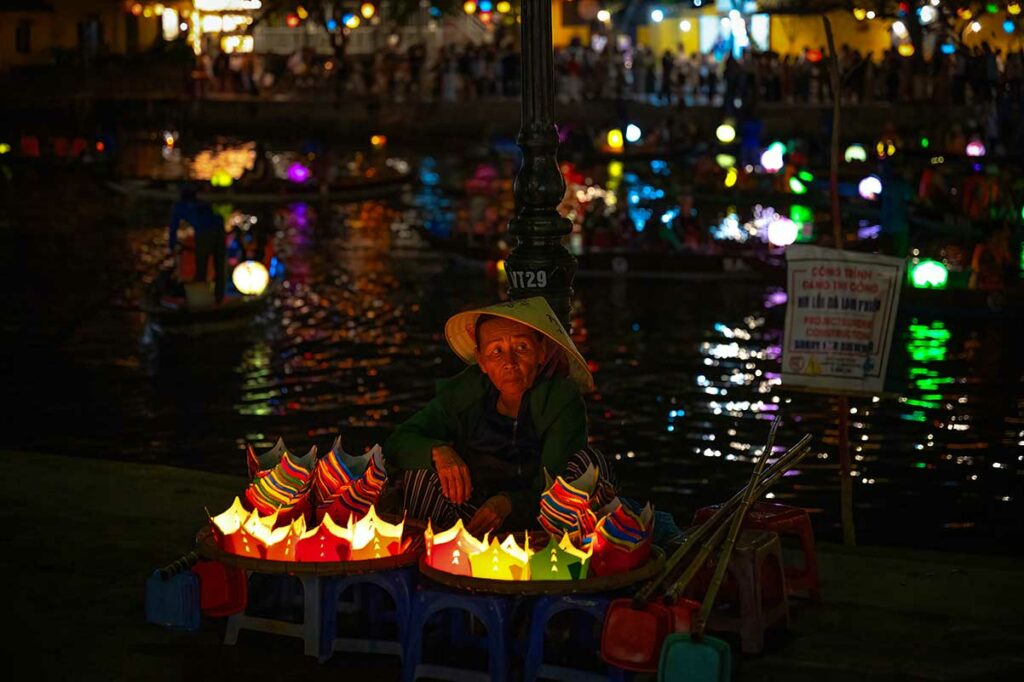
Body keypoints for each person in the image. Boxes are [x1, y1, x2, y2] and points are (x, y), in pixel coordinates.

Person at [384, 297, 615, 535]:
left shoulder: (560, 398)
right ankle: (432, 562)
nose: (509, 362)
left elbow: (555, 483)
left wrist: (508, 504)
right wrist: (438, 451)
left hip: (541, 520)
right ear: (481, 360)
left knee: (588, 463)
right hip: (472, 515)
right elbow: (398, 442)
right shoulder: (466, 391)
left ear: (541, 352)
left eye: (521, 348)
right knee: (420, 474)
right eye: (496, 351)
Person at [168, 183, 226, 303]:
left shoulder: (180, 207)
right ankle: (217, 297)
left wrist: (172, 244)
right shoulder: (201, 204)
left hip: (205, 232)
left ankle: (202, 298)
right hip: (218, 230)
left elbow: (173, 227)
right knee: (218, 265)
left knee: (202, 265)